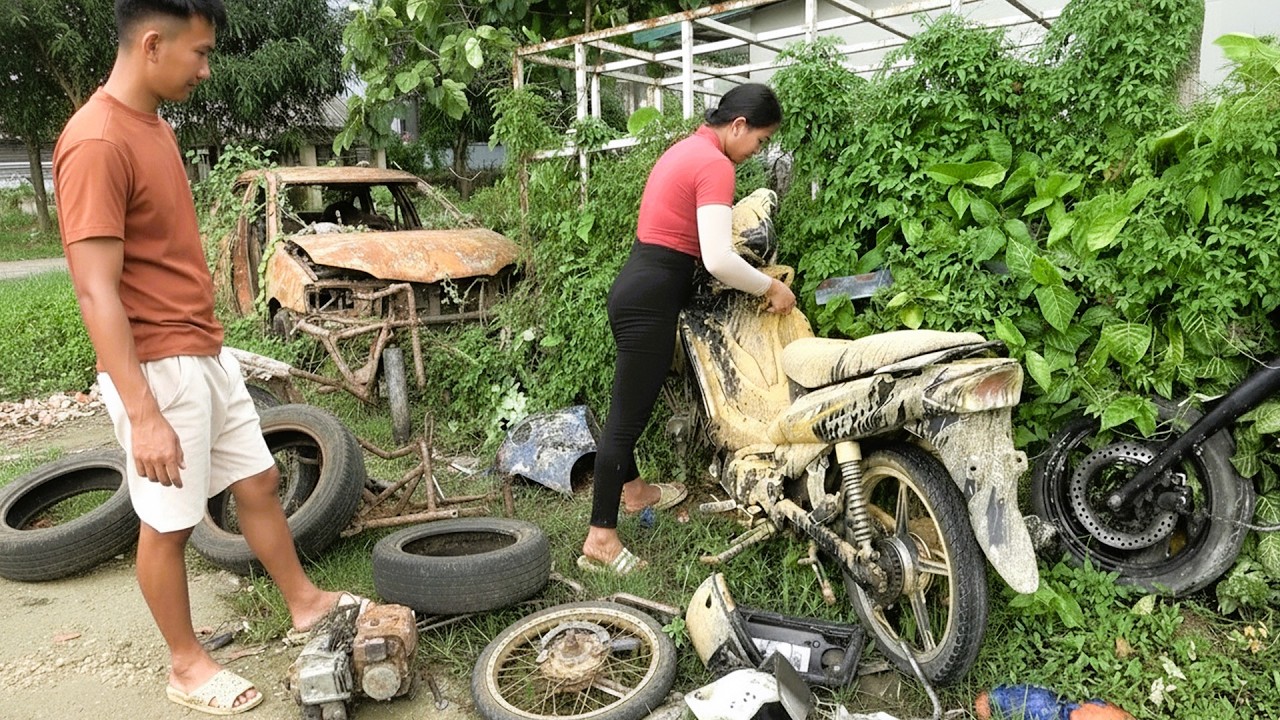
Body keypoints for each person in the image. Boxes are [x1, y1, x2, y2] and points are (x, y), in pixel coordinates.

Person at [53, 0, 363, 714]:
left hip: (202, 351)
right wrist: (143, 411)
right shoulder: (97, 140)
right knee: (168, 524)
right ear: (152, 44)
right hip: (156, 367)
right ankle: (187, 665)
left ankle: (305, 602)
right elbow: (96, 291)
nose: (206, 68)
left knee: (256, 482)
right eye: (199, 52)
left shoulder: (153, 125)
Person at [578, 83, 796, 575]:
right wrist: (770, 289)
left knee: (629, 405)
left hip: (637, 290)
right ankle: (600, 540)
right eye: (759, 141)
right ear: (738, 126)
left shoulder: (687, 149)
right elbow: (719, 258)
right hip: (650, 300)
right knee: (625, 420)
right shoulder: (716, 164)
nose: (755, 152)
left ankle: (635, 493)